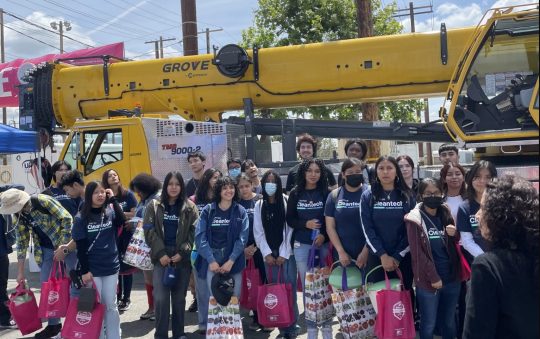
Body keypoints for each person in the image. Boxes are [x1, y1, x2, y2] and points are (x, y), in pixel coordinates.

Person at [463, 175, 539, 338]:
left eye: (483, 208)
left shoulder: (488, 266)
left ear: (498, 215)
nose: (477, 215)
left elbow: (477, 333)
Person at [0, 188, 72, 339]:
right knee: (47, 287)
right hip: (46, 251)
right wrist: (20, 272)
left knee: (74, 285)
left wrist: (64, 246)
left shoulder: (42, 200)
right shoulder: (18, 216)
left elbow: (67, 218)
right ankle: (54, 326)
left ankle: (76, 324)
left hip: (68, 247)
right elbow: (22, 242)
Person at [405, 178, 462, 339]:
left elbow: (454, 243)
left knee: (449, 321)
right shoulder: (413, 219)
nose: (433, 196)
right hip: (429, 281)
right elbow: (417, 254)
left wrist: (455, 233)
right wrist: (434, 277)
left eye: (436, 193)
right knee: (429, 323)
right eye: (428, 193)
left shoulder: (445, 212)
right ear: (421, 195)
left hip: (451, 278)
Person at [143, 171, 198, 339]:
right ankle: (160, 335)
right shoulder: (153, 205)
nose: (174, 187)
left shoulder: (190, 207)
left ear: (182, 187)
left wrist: (183, 252)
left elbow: (194, 232)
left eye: (177, 184)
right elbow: (148, 231)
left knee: (179, 298)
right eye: (170, 184)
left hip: (181, 258)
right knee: (160, 298)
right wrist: (160, 253)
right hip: (161, 257)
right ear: (165, 186)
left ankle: (179, 334)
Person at [71, 181, 126, 339]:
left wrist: (113, 199)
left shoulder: (109, 212)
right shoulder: (81, 218)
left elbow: (122, 221)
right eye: (96, 192)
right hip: (92, 270)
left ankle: (114, 336)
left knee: (111, 305)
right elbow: (80, 248)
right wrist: (85, 271)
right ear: (89, 196)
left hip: (111, 266)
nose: (100, 195)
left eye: (102, 192)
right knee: (96, 306)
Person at [286, 158, 332, 339]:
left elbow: (332, 220)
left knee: (325, 287)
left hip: (324, 245)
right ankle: (312, 329)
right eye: (310, 170)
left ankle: (327, 327)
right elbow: (290, 219)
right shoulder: (295, 193)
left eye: (317, 171)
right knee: (309, 288)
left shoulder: (327, 193)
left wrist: (324, 236)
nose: (313, 174)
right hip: (302, 246)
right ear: (303, 173)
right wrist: (305, 223)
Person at [194, 176, 249, 319]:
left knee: (233, 298)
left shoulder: (241, 211)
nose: (228, 190)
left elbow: (242, 239)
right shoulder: (208, 210)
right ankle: (217, 332)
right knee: (215, 299)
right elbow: (200, 236)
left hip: (234, 262)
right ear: (218, 191)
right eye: (224, 188)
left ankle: (231, 332)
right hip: (212, 262)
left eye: (231, 187)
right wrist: (211, 260)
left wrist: (230, 261)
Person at [254, 170, 298, 339]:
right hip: (269, 257)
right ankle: (282, 326)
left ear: (279, 184)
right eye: (267, 181)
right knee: (275, 291)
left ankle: (292, 327)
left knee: (289, 290)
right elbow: (258, 232)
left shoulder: (286, 201)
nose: (270, 184)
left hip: (286, 256)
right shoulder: (259, 205)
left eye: (274, 181)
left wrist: (284, 253)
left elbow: (290, 230)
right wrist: (266, 253)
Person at [191, 167, 222, 334]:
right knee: (202, 291)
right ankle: (203, 323)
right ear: (206, 179)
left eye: (219, 177)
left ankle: (218, 322)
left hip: (219, 252)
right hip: (199, 252)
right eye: (213, 177)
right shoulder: (194, 200)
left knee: (218, 289)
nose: (216, 180)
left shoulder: (223, 199)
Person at [102, 169, 137, 312]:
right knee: (116, 267)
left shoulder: (128, 194)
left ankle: (126, 298)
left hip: (127, 232)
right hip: (112, 234)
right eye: (110, 175)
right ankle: (117, 295)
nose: (113, 177)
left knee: (127, 267)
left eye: (115, 174)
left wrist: (120, 214)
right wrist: (122, 214)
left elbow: (135, 212)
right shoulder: (104, 194)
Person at [236, 174, 268, 331]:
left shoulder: (261, 199)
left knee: (262, 281)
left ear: (252, 185)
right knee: (251, 283)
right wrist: (243, 249)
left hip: (260, 248)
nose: (244, 189)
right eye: (240, 187)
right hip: (243, 250)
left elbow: (265, 225)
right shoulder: (236, 203)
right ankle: (256, 316)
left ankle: (265, 317)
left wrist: (255, 246)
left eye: (246, 186)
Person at [129, 173, 162, 321]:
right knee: (148, 278)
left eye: (139, 190)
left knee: (156, 278)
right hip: (143, 244)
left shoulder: (156, 199)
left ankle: (157, 309)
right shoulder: (144, 199)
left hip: (153, 243)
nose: (138, 193)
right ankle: (152, 307)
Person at [325, 158, 369, 269]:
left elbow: (377, 226)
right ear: (343, 175)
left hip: (369, 253)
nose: (355, 175)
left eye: (358, 172)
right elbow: (330, 227)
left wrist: (365, 252)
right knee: (346, 286)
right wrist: (341, 252)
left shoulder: (370, 193)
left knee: (369, 286)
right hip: (343, 256)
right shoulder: (334, 196)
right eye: (350, 172)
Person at [457, 160, 497, 262]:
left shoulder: (501, 204)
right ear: (471, 179)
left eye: (488, 177)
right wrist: (487, 259)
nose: (482, 181)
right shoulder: (464, 208)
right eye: (478, 176)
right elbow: (467, 242)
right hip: (479, 262)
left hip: (501, 261)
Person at [0, 184, 24, 329]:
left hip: (1, 252)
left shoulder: (3, 200)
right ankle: (4, 318)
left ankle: (4, 318)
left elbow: (19, 187)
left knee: (1, 287)